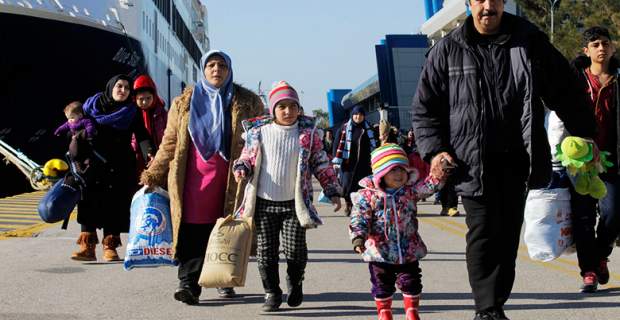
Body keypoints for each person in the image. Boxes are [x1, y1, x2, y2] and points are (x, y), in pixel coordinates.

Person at [411, 1, 597, 319]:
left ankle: (495, 300)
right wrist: (435, 150)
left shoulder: (528, 40)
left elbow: (564, 89)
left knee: (508, 234)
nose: (488, 6)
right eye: (480, 0)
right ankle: (487, 308)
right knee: (483, 231)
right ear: (469, 4)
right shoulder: (448, 49)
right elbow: (426, 108)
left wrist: (586, 133)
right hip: (470, 161)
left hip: (518, 158)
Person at [140, 50, 264, 305]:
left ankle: (223, 278)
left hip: (232, 176)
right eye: (211, 65)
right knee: (192, 229)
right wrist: (154, 173)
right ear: (203, 70)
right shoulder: (183, 102)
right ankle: (188, 284)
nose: (216, 69)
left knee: (225, 226)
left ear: (229, 70)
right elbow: (170, 142)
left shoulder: (248, 102)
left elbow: (259, 140)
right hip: (192, 176)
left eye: (221, 65)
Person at [233, 81, 342, 312]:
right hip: (263, 203)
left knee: (295, 250)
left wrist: (332, 190)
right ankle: (272, 292)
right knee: (265, 252)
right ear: (272, 109)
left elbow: (321, 164)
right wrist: (241, 167)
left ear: (298, 109)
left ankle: (295, 281)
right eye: (281, 106)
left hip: (294, 204)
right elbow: (246, 157)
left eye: (292, 106)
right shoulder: (258, 133)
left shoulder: (308, 135)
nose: (287, 111)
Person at [349, 144, 443, 320]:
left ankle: (411, 311)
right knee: (381, 284)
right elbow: (359, 217)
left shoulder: (410, 191)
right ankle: (384, 312)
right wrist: (358, 238)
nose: (399, 174)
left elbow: (428, 187)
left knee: (412, 282)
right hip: (379, 252)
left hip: (408, 249)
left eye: (402, 170)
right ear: (381, 174)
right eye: (393, 170)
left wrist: (439, 173)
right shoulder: (368, 195)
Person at [71, 74, 153, 262]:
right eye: (119, 86)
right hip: (92, 164)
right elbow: (75, 126)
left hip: (120, 165)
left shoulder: (131, 111)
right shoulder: (91, 106)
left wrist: (150, 153)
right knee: (88, 202)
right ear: (111, 87)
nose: (123, 90)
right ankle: (87, 246)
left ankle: (110, 246)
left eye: (126, 87)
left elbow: (141, 135)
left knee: (115, 205)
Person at [569, 26, 620, 293]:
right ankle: (588, 270)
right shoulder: (576, 80)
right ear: (586, 51)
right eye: (596, 44)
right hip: (580, 161)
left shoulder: (618, 80)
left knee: (613, 213)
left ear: (612, 48)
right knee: (584, 218)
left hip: (612, 160)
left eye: (606, 43)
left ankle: (601, 254)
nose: (602, 48)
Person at [333, 105, 379, 215]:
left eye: (361, 115)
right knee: (347, 186)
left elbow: (375, 144)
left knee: (362, 186)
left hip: (364, 164)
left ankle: (359, 206)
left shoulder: (369, 129)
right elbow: (336, 144)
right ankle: (348, 203)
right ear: (352, 115)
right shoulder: (344, 128)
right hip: (348, 163)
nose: (358, 117)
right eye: (356, 114)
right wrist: (336, 159)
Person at [132, 74, 167, 176]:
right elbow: (132, 139)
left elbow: (167, 136)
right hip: (139, 160)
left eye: (148, 98)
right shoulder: (133, 115)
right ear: (135, 98)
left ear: (154, 96)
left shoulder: (162, 114)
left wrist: (158, 156)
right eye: (141, 99)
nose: (144, 102)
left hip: (159, 158)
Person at [54, 101, 97, 174]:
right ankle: (79, 167)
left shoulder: (84, 121)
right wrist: (58, 131)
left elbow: (90, 126)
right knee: (77, 155)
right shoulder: (70, 123)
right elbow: (64, 126)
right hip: (76, 139)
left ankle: (82, 159)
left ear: (80, 115)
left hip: (84, 138)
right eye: (68, 118)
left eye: (72, 117)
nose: (69, 120)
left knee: (82, 151)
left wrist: (89, 134)